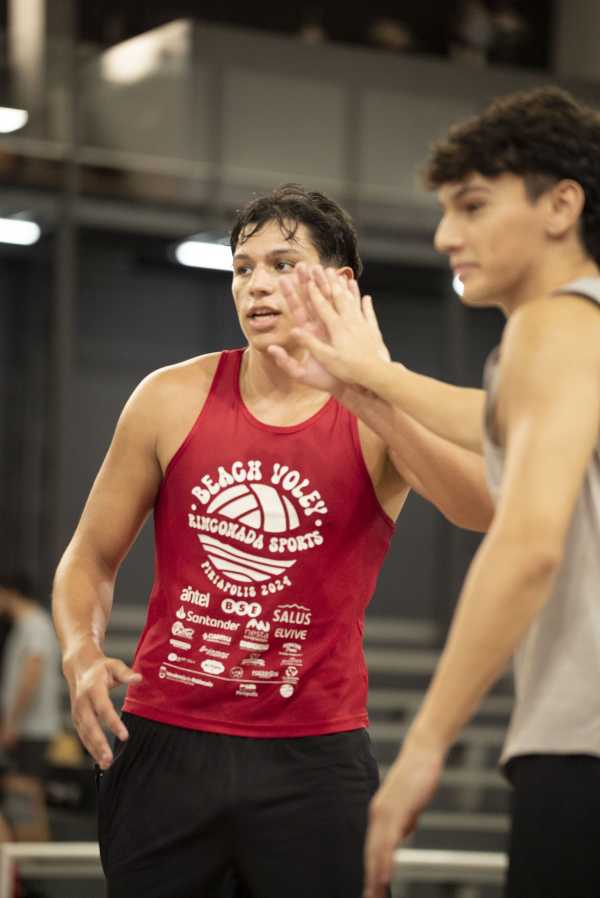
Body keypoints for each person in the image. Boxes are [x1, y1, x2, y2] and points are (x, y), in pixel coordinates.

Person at [52, 184, 492, 898]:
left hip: (313, 758)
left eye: (282, 264)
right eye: (243, 267)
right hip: (165, 740)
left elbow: (477, 507)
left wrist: (372, 393)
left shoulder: (377, 414)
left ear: (338, 284)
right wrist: (80, 652)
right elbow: (89, 557)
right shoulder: (169, 396)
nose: (255, 284)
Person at [270, 87, 600, 898]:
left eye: (474, 205)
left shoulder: (553, 326)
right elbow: (494, 420)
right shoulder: (579, 336)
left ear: (562, 206)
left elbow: (526, 546)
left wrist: (426, 742)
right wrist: (368, 379)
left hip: (584, 744)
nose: (447, 235)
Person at [0, 573, 61, 780]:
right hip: (26, 727)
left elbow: (32, 674)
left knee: (28, 788)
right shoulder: (25, 626)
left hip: (33, 728)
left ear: (10, 593)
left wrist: (12, 722)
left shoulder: (35, 626)